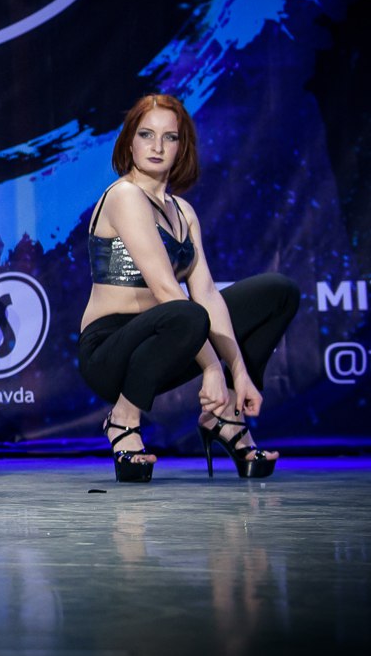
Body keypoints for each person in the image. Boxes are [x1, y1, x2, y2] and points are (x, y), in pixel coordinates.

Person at [77, 93, 298, 482]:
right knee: (185, 312)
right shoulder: (125, 196)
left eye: (170, 137)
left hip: (169, 342)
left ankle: (226, 416)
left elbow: (207, 293)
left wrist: (238, 373)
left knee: (277, 292)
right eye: (146, 135)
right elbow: (167, 291)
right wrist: (211, 367)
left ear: (183, 147)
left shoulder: (184, 212)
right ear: (129, 142)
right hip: (110, 351)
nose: (157, 147)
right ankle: (123, 418)